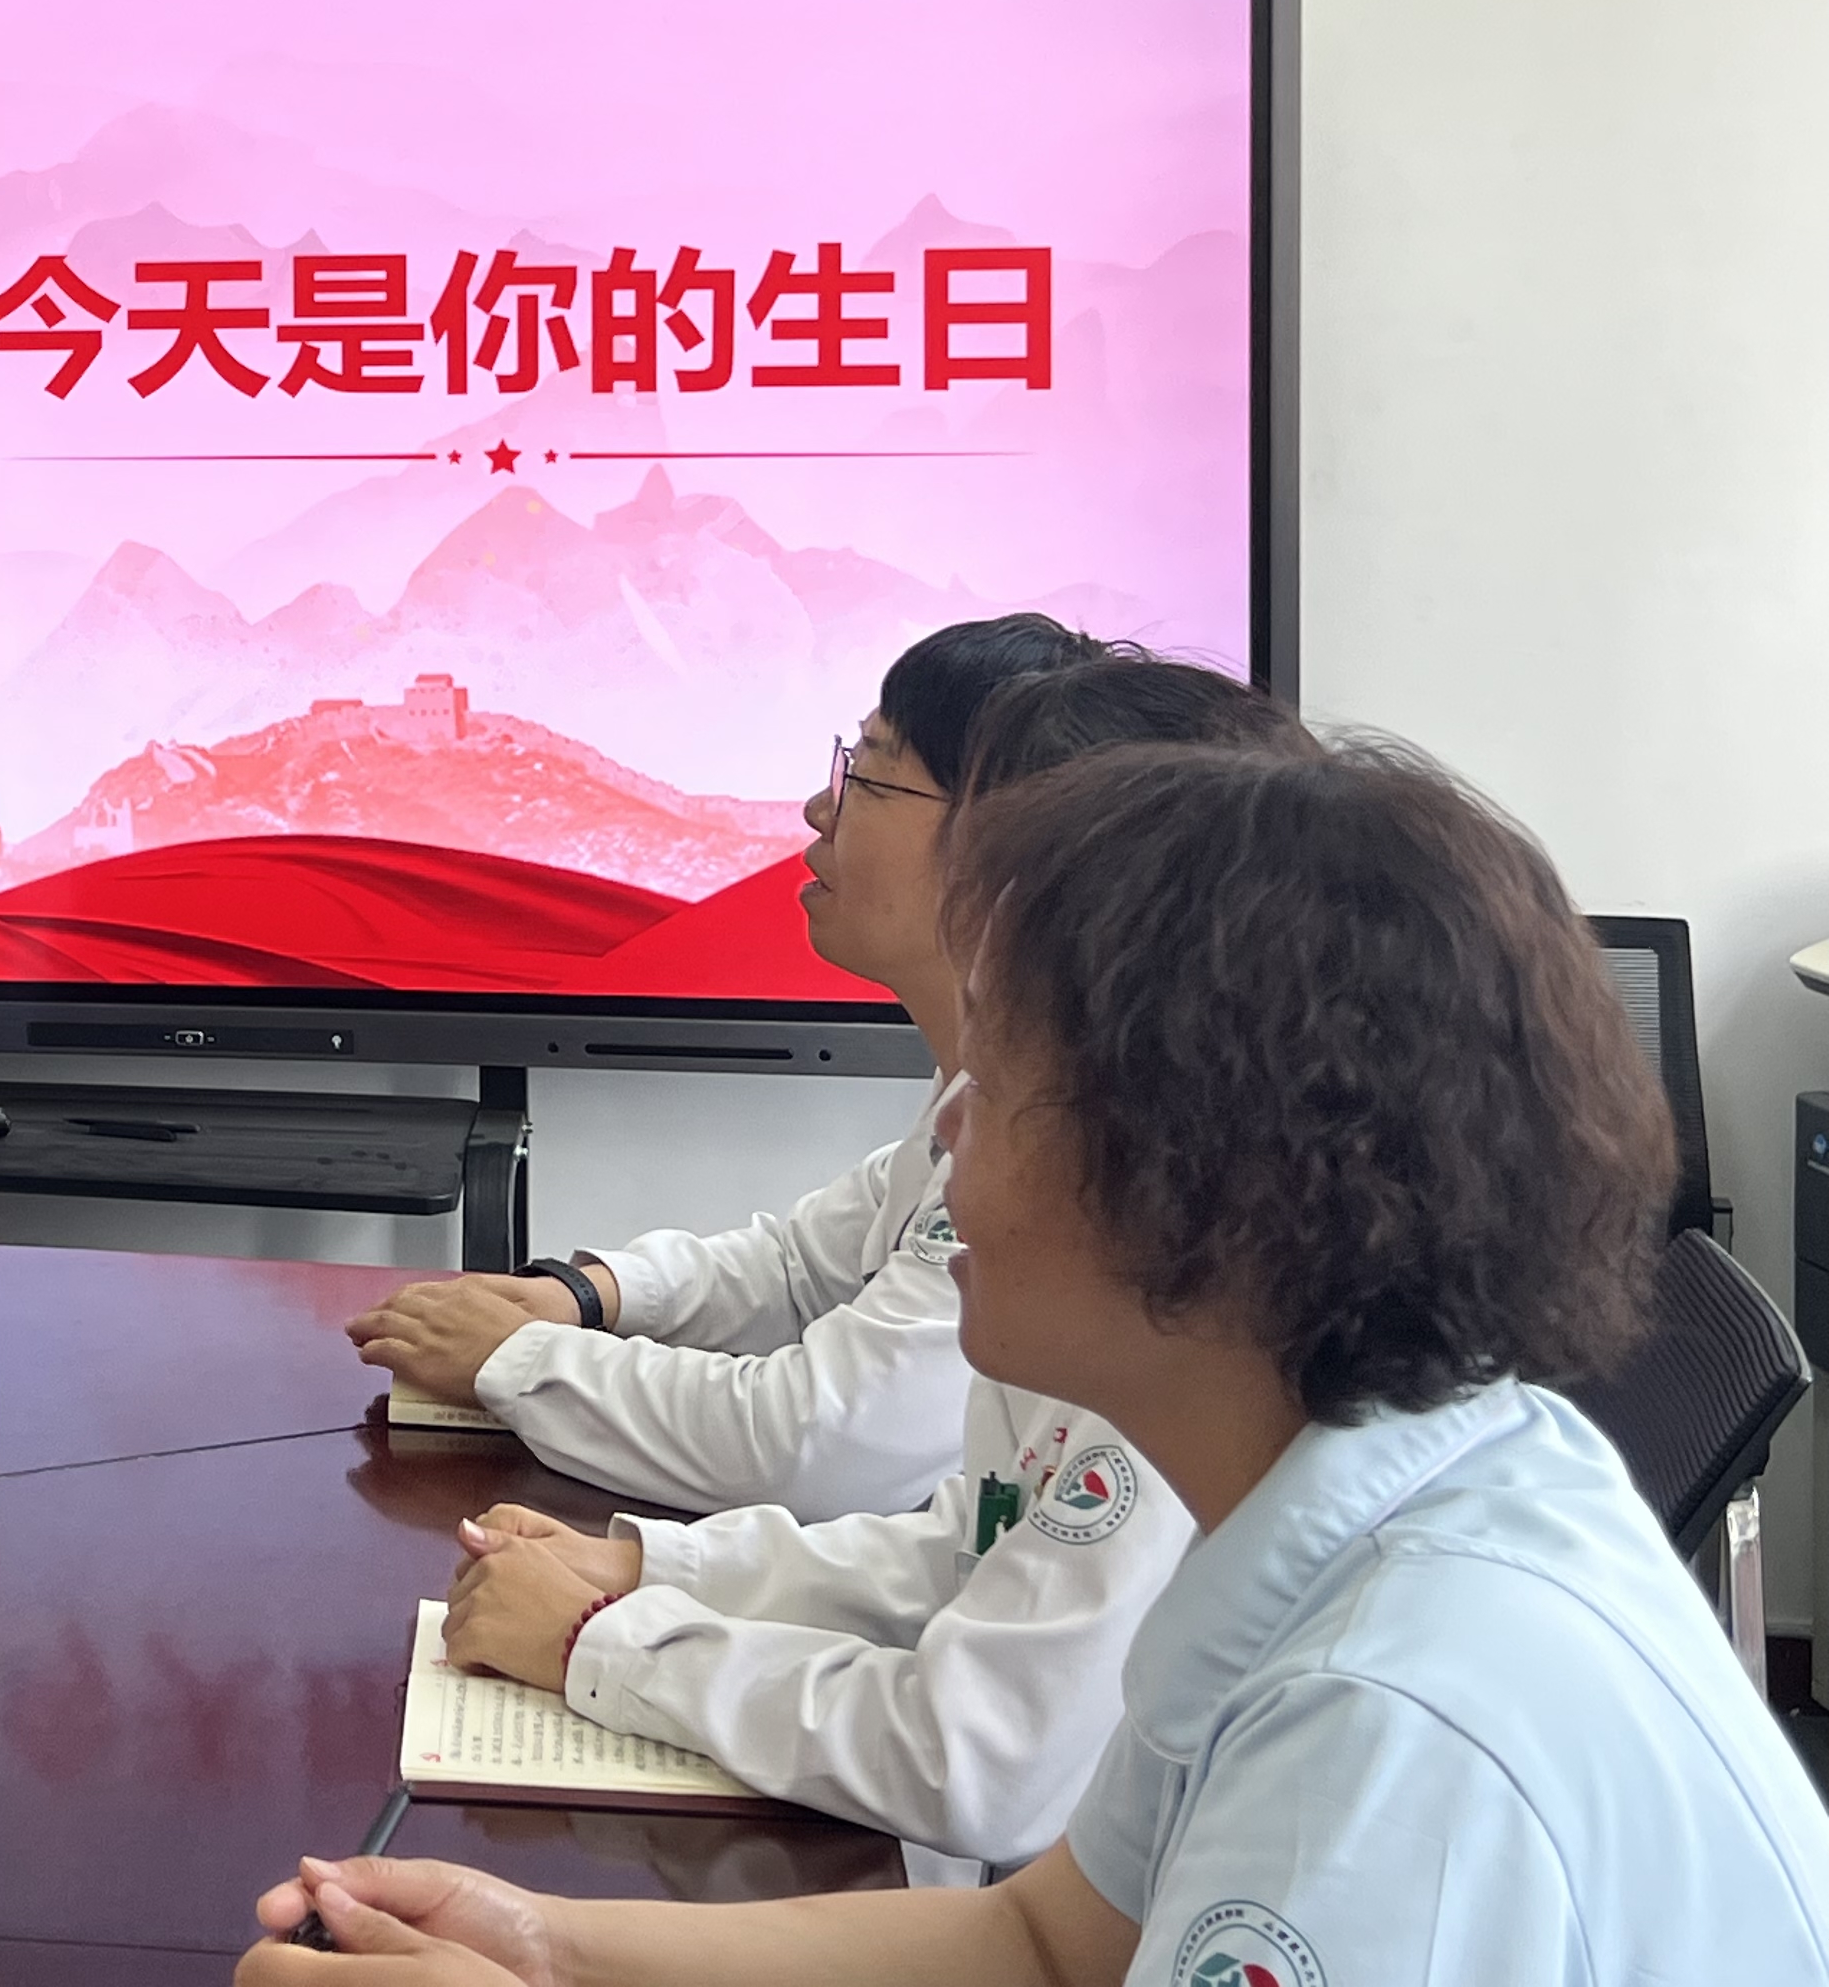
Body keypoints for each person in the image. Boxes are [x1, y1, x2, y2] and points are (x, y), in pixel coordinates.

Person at [244, 738, 1829, 1987]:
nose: (947, 1146)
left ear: (1193, 1178)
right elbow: (1042, 1944)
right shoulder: (1357, 1501)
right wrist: (547, 1947)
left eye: (997, 1089)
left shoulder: (1386, 1731)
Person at [429, 656, 1313, 1880]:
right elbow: (969, 1548)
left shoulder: (1189, 1351)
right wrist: (648, 1565)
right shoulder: (1150, 1262)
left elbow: (978, 1756)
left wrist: (605, 1637)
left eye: (876, 778)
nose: (952, 1143)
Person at [346, 613, 1115, 1522]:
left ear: (1001, 842)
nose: (820, 809)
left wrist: (513, 1359)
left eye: (866, 777)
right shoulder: (974, 1096)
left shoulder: (1066, 1144)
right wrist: (584, 1297)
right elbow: (798, 1268)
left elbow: (814, 1446)